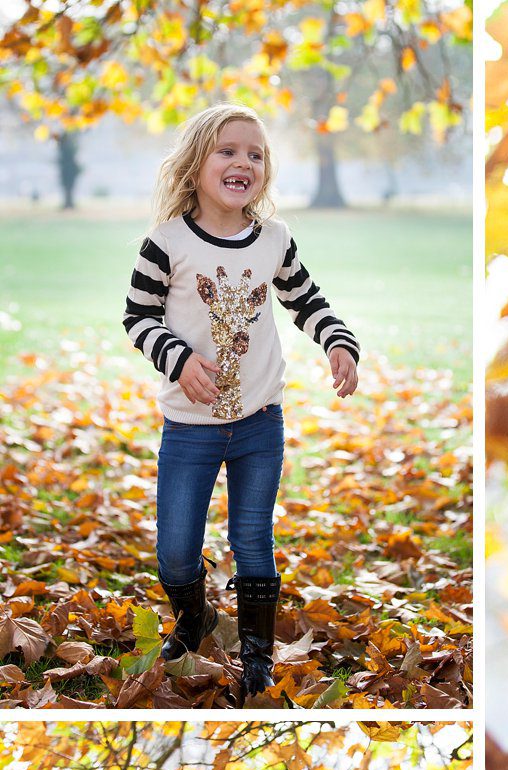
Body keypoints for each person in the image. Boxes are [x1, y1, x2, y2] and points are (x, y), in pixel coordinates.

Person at [122, 104, 360, 701]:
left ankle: (255, 658)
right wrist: (177, 358)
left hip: (259, 422)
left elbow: (307, 300)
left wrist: (338, 342)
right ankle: (195, 617)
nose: (243, 163)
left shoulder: (273, 239)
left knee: (252, 539)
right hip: (190, 427)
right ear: (197, 162)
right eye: (228, 151)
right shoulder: (167, 244)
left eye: (255, 155)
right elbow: (137, 316)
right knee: (176, 551)